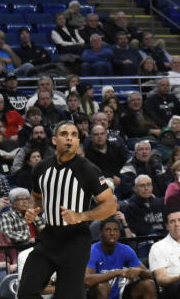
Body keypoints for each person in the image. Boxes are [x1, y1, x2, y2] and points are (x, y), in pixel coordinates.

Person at [20, 120, 119, 299]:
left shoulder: (89, 170)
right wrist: (32, 210)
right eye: (64, 134)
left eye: (74, 135)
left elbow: (111, 205)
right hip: (48, 237)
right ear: (54, 140)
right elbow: (36, 196)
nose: (69, 139)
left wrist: (81, 216)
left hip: (75, 240)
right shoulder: (41, 168)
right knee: (26, 292)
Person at [85, 218, 154, 299]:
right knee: (103, 286)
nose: (112, 233)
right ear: (101, 233)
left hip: (121, 293)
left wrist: (140, 271)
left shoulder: (125, 250)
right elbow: (87, 281)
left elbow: (150, 276)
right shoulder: (93, 251)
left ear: (119, 233)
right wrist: (117, 272)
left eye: (115, 230)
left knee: (148, 284)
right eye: (108, 230)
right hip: (95, 294)